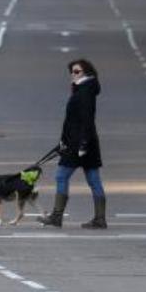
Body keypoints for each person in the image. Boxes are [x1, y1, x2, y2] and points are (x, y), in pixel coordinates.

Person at [40, 59, 107, 229]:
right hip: (84, 143)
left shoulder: (84, 92)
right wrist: (64, 141)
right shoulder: (84, 89)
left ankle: (57, 216)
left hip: (78, 144)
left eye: (77, 71)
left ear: (87, 72)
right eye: (71, 71)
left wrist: (82, 144)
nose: (73, 74)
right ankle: (100, 219)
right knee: (94, 180)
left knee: (61, 176)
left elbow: (86, 120)